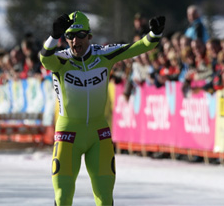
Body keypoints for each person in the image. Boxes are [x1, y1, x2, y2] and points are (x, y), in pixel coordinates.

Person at [39, 11, 165, 205]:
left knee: (105, 198)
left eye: (80, 35)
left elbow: (139, 47)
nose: (74, 41)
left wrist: (154, 35)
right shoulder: (61, 60)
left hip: (99, 134)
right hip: (68, 134)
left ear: (89, 36)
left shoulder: (104, 55)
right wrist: (54, 36)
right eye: (69, 36)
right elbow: (44, 58)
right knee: (63, 197)